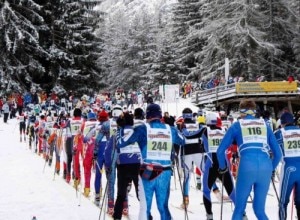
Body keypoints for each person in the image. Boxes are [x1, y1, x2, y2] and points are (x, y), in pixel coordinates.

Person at [116, 103, 185, 220]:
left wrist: (121, 128)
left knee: (145, 208)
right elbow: (183, 140)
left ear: (147, 115)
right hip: (165, 172)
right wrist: (172, 126)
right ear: (160, 115)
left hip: (148, 172)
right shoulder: (170, 129)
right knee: (163, 207)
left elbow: (120, 143)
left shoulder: (142, 129)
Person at [217, 99, 282, 220]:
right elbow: (278, 154)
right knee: (259, 211)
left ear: (241, 112)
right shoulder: (265, 125)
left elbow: (220, 151)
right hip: (265, 167)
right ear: (254, 111)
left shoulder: (237, 126)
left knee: (239, 210)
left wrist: (223, 168)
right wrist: (270, 170)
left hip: (247, 166)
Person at [113, 112, 141, 219]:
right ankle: (147, 215)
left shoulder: (120, 131)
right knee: (140, 194)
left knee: (121, 194)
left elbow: (117, 145)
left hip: (123, 164)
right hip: (137, 163)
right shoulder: (136, 131)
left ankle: (117, 216)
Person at [176, 107, 205, 209]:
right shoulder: (198, 124)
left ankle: (185, 200)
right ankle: (214, 191)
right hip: (198, 151)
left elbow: (177, 138)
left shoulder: (180, 125)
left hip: (186, 152)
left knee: (187, 177)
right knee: (205, 172)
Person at [274, 112, 300, 220]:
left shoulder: (280, 133)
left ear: (283, 123)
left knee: (283, 202)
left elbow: (271, 149)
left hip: (289, 168)